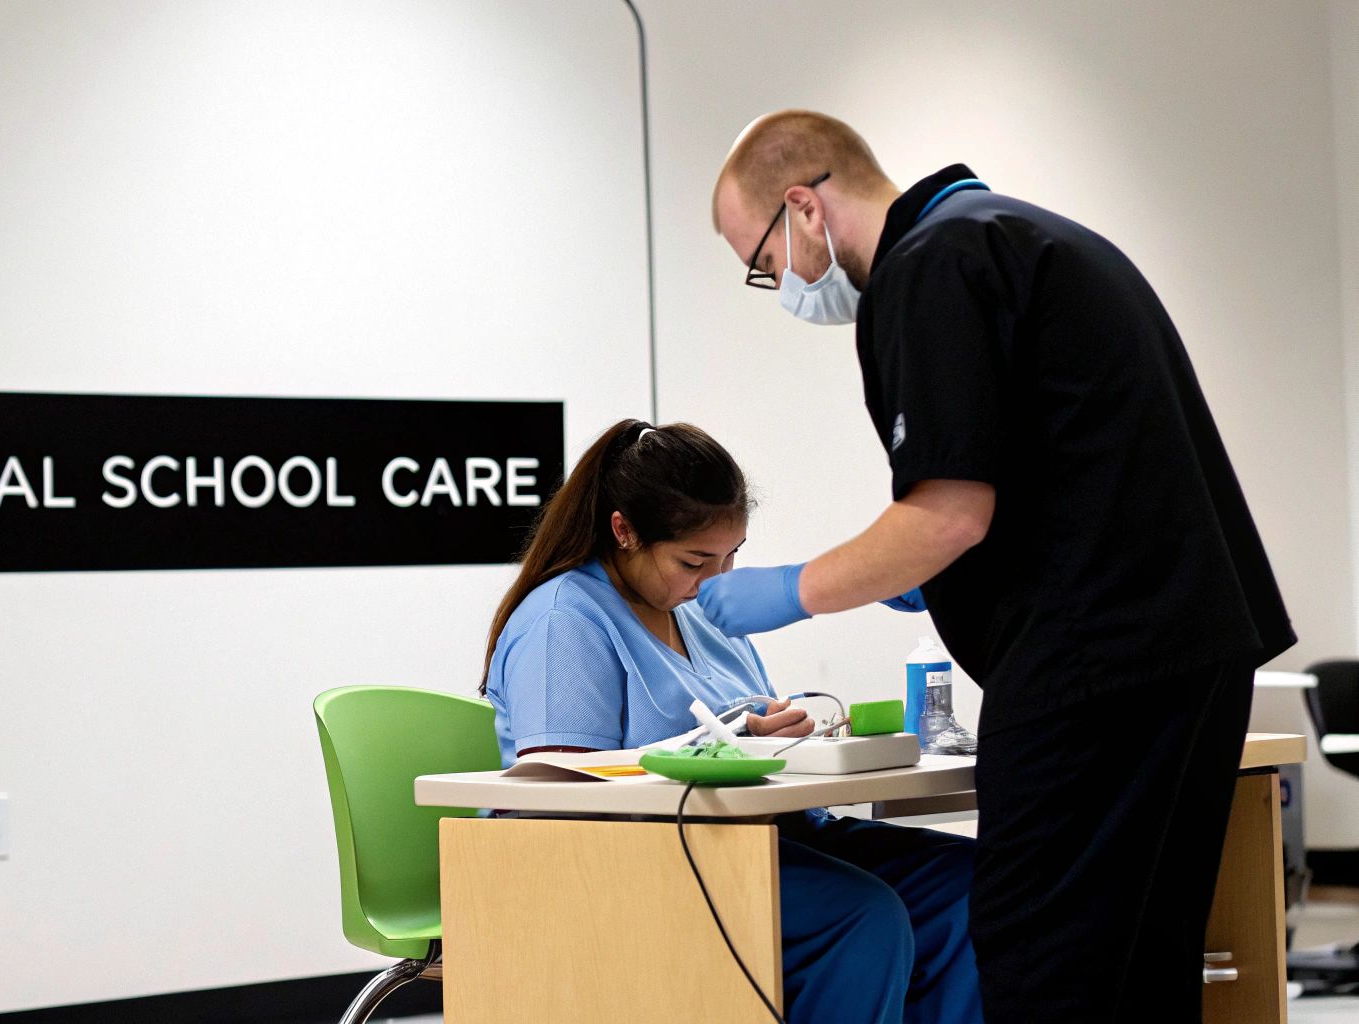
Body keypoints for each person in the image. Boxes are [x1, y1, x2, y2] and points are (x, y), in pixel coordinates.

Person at [704, 109, 1296, 1021]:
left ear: (804, 208)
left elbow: (946, 513)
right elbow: (1050, 470)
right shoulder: (1021, 233)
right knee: (1140, 954)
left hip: (1093, 667)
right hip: (1187, 648)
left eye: (764, 261)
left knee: (1039, 955)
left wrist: (793, 591)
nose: (779, 283)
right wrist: (941, 578)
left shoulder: (928, 269)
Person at [482, 418, 982, 1024]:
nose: (715, 582)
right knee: (864, 917)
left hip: (766, 837)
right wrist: (731, 744)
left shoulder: (700, 616)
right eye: (694, 560)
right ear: (624, 531)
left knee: (966, 887)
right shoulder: (566, 620)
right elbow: (561, 797)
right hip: (640, 862)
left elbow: (746, 736)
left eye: (730, 558)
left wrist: (782, 733)